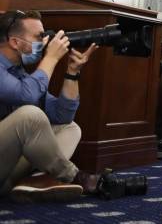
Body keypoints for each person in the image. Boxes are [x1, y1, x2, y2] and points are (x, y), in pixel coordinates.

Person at [0, 10, 104, 201]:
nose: (45, 42)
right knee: (30, 115)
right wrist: (51, 58)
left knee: (70, 128)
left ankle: (33, 182)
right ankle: (75, 176)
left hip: (6, 166)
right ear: (15, 42)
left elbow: (62, 115)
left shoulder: (19, 72)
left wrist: (72, 72)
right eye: (39, 37)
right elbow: (26, 97)